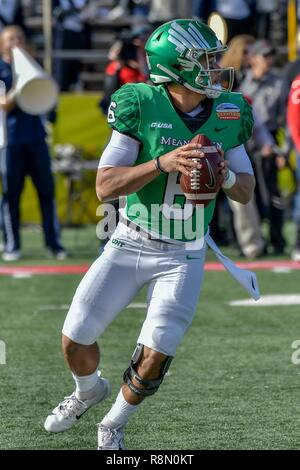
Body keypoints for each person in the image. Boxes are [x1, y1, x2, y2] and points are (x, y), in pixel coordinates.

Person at [44, 19, 259, 449]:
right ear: (175, 67)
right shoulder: (140, 103)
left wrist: (223, 177)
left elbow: (247, 191)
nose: (215, 67)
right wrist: (163, 162)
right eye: (204, 60)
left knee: (155, 355)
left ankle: (113, 425)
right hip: (130, 240)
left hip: (185, 252)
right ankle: (88, 390)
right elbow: (105, 185)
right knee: (74, 338)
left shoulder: (230, 108)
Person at [0, 25, 66, 261]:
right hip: (10, 141)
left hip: (37, 139)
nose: (15, 42)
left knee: (46, 192)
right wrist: (21, 86)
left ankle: (54, 244)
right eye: (10, 39)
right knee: (12, 195)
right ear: (2, 44)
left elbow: (47, 99)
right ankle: (12, 245)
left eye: (19, 38)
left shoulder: (33, 66)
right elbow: (4, 104)